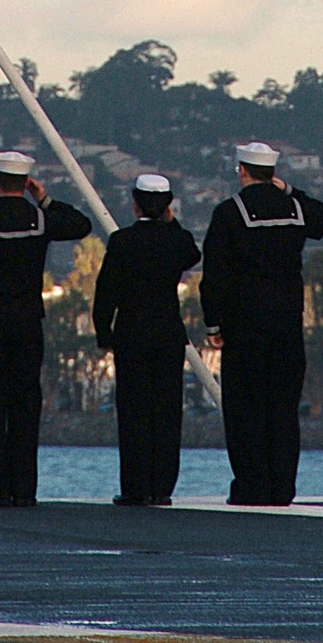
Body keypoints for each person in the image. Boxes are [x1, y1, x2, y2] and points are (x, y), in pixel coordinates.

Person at [0, 149, 91, 506]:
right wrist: (44, 198)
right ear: (26, 182)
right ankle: (24, 489)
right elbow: (81, 225)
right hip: (27, 323)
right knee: (26, 403)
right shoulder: (41, 220)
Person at [200, 141, 323, 507]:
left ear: (242, 170)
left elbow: (214, 274)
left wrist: (213, 325)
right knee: (282, 409)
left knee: (245, 410)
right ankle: (282, 486)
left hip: (244, 325)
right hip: (287, 324)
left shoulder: (229, 213)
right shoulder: (295, 209)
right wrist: (290, 191)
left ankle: (251, 484)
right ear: (272, 173)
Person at [93, 173, 201, 507]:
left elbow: (105, 291)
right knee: (167, 411)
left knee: (133, 411)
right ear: (168, 205)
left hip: (131, 332)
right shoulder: (177, 242)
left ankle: (135, 486)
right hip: (168, 333)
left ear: (135, 203)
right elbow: (192, 252)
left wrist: (103, 332)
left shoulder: (122, 241)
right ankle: (162, 487)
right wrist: (171, 221)